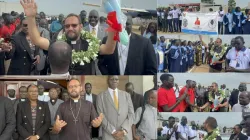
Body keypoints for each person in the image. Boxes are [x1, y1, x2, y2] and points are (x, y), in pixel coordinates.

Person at [21, 0, 117, 75]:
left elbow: (109, 49)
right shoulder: (58, 44)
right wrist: (30, 17)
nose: (70, 28)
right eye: (67, 26)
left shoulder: (90, 44)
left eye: (74, 25)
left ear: (81, 27)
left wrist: (114, 26)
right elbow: (36, 40)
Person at [96, 76, 134, 140]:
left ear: (118, 81)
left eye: (116, 79)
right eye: (112, 79)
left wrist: (123, 131)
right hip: (109, 134)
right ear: (107, 81)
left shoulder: (126, 95)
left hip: (125, 134)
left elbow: (131, 114)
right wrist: (113, 131)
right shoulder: (100, 96)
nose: (114, 80)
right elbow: (101, 116)